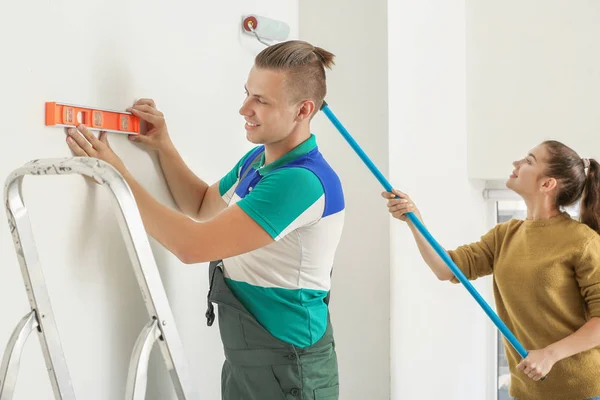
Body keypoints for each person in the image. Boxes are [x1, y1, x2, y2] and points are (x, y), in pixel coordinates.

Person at [65, 40, 345, 400]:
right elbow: (200, 203)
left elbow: (191, 246)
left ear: (303, 109)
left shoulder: (301, 182)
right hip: (251, 357)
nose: (244, 108)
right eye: (248, 93)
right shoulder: (259, 161)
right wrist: (163, 145)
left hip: (290, 365)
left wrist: (117, 175)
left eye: (261, 101)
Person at [382, 140, 600, 400]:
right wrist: (414, 220)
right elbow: (447, 269)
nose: (516, 164)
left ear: (547, 184)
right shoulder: (505, 235)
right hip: (526, 390)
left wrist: (550, 354)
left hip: (580, 390)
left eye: (529, 161)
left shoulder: (583, 241)